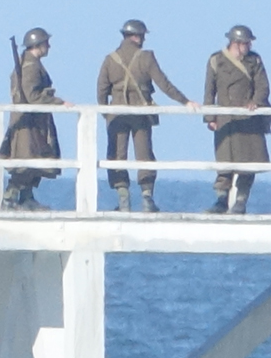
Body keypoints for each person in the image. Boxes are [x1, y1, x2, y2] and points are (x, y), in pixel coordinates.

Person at [98, 19, 193, 213]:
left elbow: (101, 90)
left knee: (117, 155)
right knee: (145, 155)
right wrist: (185, 101)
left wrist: (105, 112)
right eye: (142, 36)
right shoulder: (146, 57)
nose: (143, 40)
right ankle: (147, 197)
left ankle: (123, 199)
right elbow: (164, 84)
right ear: (136, 36)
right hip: (141, 112)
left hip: (116, 113)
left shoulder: (110, 59)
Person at [205, 25, 269, 215]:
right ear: (236, 43)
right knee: (224, 162)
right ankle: (221, 199)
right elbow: (209, 90)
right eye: (246, 43)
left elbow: (263, 87)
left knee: (248, 162)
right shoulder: (216, 60)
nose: (249, 46)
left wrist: (255, 102)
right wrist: (209, 116)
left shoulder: (254, 61)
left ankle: (241, 200)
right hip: (225, 120)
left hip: (248, 120)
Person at [2, 27, 64, 211]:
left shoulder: (28, 64)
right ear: (38, 45)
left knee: (35, 160)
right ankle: (9, 199)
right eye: (46, 43)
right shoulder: (30, 66)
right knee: (25, 162)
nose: (49, 46)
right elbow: (31, 96)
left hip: (33, 121)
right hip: (28, 123)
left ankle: (26, 198)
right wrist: (57, 101)